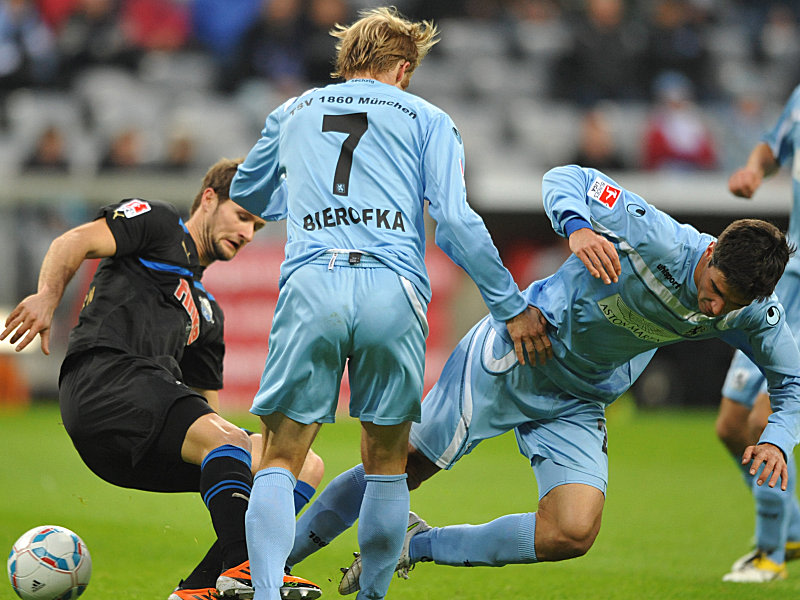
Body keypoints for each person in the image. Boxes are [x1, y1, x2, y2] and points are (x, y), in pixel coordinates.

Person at [281, 164, 800, 595]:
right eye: (715, 289)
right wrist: (577, 226)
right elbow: (566, 178)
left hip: (579, 397)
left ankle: (414, 544)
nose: (715, 308)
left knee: (571, 531)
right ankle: (264, 562)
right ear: (710, 255)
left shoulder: (751, 312)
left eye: (732, 303)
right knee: (401, 467)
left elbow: (792, 382)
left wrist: (777, 439)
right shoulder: (657, 235)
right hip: (521, 351)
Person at [229, 7, 545, 600]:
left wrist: (299, 198)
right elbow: (453, 221)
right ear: (402, 68)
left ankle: (266, 593)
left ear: (347, 60)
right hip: (392, 288)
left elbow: (247, 191)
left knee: (281, 454)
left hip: (313, 283)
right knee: (385, 461)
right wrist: (507, 303)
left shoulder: (292, 111)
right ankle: (372, 596)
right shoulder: (428, 118)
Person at [0, 158, 324, 600]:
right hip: (103, 382)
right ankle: (244, 569)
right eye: (243, 217)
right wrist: (46, 297)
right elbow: (73, 240)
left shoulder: (208, 313)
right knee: (228, 441)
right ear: (209, 198)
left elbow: (203, 411)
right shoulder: (158, 222)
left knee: (298, 463)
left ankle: (198, 590)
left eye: (257, 227)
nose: (247, 234)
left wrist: (236, 473)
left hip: (135, 434)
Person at [716, 82, 800, 582]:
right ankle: (790, 528)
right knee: (730, 425)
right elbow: (773, 145)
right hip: (784, 282)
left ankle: (770, 556)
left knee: (766, 417)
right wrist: (754, 169)